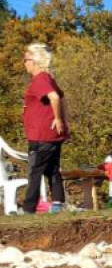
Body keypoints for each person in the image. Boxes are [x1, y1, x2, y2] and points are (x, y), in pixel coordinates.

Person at [20, 43, 69, 213]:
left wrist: (58, 119)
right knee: (52, 169)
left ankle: (28, 208)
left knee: (35, 170)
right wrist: (63, 120)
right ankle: (58, 204)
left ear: (34, 61)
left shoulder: (40, 79)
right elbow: (61, 97)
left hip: (41, 135)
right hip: (51, 134)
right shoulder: (48, 78)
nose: (24, 63)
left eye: (26, 59)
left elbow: (55, 97)